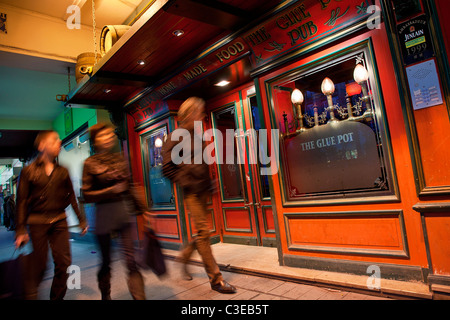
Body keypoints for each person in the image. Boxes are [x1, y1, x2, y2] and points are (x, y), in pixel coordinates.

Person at [162, 97, 236, 294]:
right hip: (192, 192)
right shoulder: (175, 137)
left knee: (202, 233)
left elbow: (202, 163)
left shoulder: (198, 135)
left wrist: (211, 183)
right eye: (199, 112)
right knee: (204, 232)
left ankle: (184, 257)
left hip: (203, 190)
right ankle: (216, 279)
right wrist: (187, 182)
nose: (202, 115)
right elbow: (167, 168)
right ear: (189, 114)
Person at [15, 130, 88, 300]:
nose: (59, 141)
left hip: (59, 221)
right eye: (54, 140)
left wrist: (81, 220)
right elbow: (22, 201)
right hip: (37, 222)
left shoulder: (63, 171)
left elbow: (71, 196)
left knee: (64, 264)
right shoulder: (28, 171)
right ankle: (30, 293)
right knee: (40, 266)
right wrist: (20, 230)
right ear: (42, 145)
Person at [81, 123, 149, 300]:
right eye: (103, 135)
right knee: (106, 261)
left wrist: (144, 209)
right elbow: (86, 195)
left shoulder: (119, 158)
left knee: (130, 260)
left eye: (110, 134)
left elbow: (130, 186)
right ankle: (106, 295)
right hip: (103, 215)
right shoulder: (89, 163)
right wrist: (111, 191)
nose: (109, 137)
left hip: (121, 212)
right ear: (95, 140)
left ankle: (139, 297)